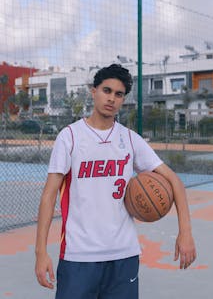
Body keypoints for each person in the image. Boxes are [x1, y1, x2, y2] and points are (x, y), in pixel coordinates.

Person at [35, 63, 196, 299]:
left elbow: (174, 182)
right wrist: (40, 252)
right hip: (79, 256)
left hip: (124, 255)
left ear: (123, 100)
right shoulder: (70, 137)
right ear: (94, 91)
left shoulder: (130, 139)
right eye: (106, 90)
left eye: (118, 94)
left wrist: (186, 233)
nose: (111, 98)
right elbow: (49, 196)